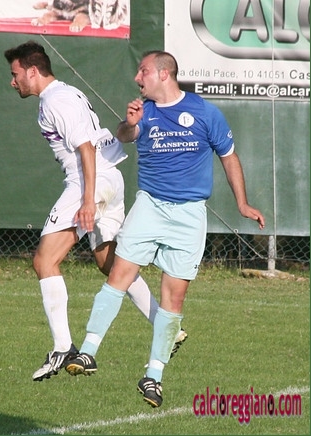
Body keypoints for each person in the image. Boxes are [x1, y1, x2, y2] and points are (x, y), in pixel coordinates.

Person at [66, 50, 265, 408]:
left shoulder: (205, 112)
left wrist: (242, 203)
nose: (137, 78)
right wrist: (130, 123)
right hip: (150, 206)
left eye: (142, 71)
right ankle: (88, 351)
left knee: (174, 299)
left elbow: (229, 156)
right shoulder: (145, 111)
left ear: (163, 74)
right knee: (119, 276)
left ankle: (153, 377)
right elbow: (124, 135)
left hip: (190, 215)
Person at [4, 41, 187, 382]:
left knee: (45, 261)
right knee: (109, 263)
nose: (13, 81)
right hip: (109, 178)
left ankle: (62, 347)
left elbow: (85, 148)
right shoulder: (64, 93)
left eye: (15, 74)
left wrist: (88, 200)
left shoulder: (55, 100)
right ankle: (166, 326)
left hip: (90, 181)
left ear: (33, 71)